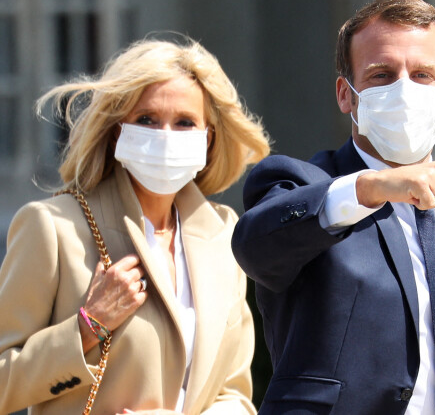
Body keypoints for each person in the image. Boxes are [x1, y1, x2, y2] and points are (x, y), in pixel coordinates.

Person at [232, 0, 435, 414]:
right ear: (345, 94)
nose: (404, 89)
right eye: (381, 75)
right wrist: (371, 188)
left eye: (423, 75)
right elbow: (255, 246)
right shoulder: (308, 187)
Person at [0, 37, 270, 415]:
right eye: (146, 119)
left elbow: (236, 396)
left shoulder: (223, 234)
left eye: (184, 123)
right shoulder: (53, 227)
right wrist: (89, 326)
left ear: (208, 138)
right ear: (116, 131)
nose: (164, 136)